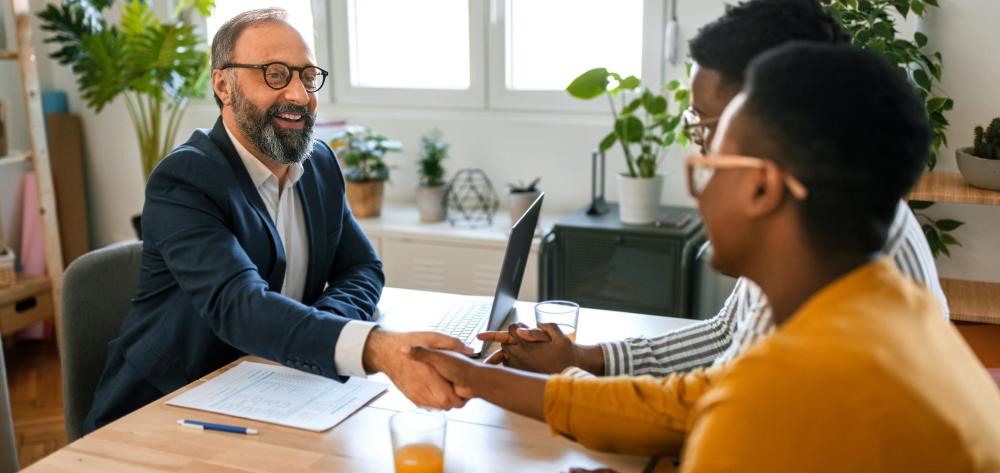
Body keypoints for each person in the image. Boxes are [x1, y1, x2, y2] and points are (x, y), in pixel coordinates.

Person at [413, 43, 1000, 472]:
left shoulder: (767, 402)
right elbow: (690, 399)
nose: (694, 184)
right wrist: (477, 377)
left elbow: (721, 410)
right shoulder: (900, 310)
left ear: (763, 189)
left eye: (708, 157)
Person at [480, 0, 949, 377]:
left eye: (708, 133)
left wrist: (543, 380)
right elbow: (726, 336)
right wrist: (583, 359)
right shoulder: (815, 210)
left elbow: (708, 410)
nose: (701, 176)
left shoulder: (826, 255)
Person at [84, 8, 469, 433]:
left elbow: (362, 268)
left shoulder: (319, 163)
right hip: (165, 411)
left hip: (277, 395)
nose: (300, 95)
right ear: (223, 85)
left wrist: (326, 326)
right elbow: (239, 306)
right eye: (275, 74)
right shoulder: (186, 181)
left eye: (307, 76)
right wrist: (374, 349)